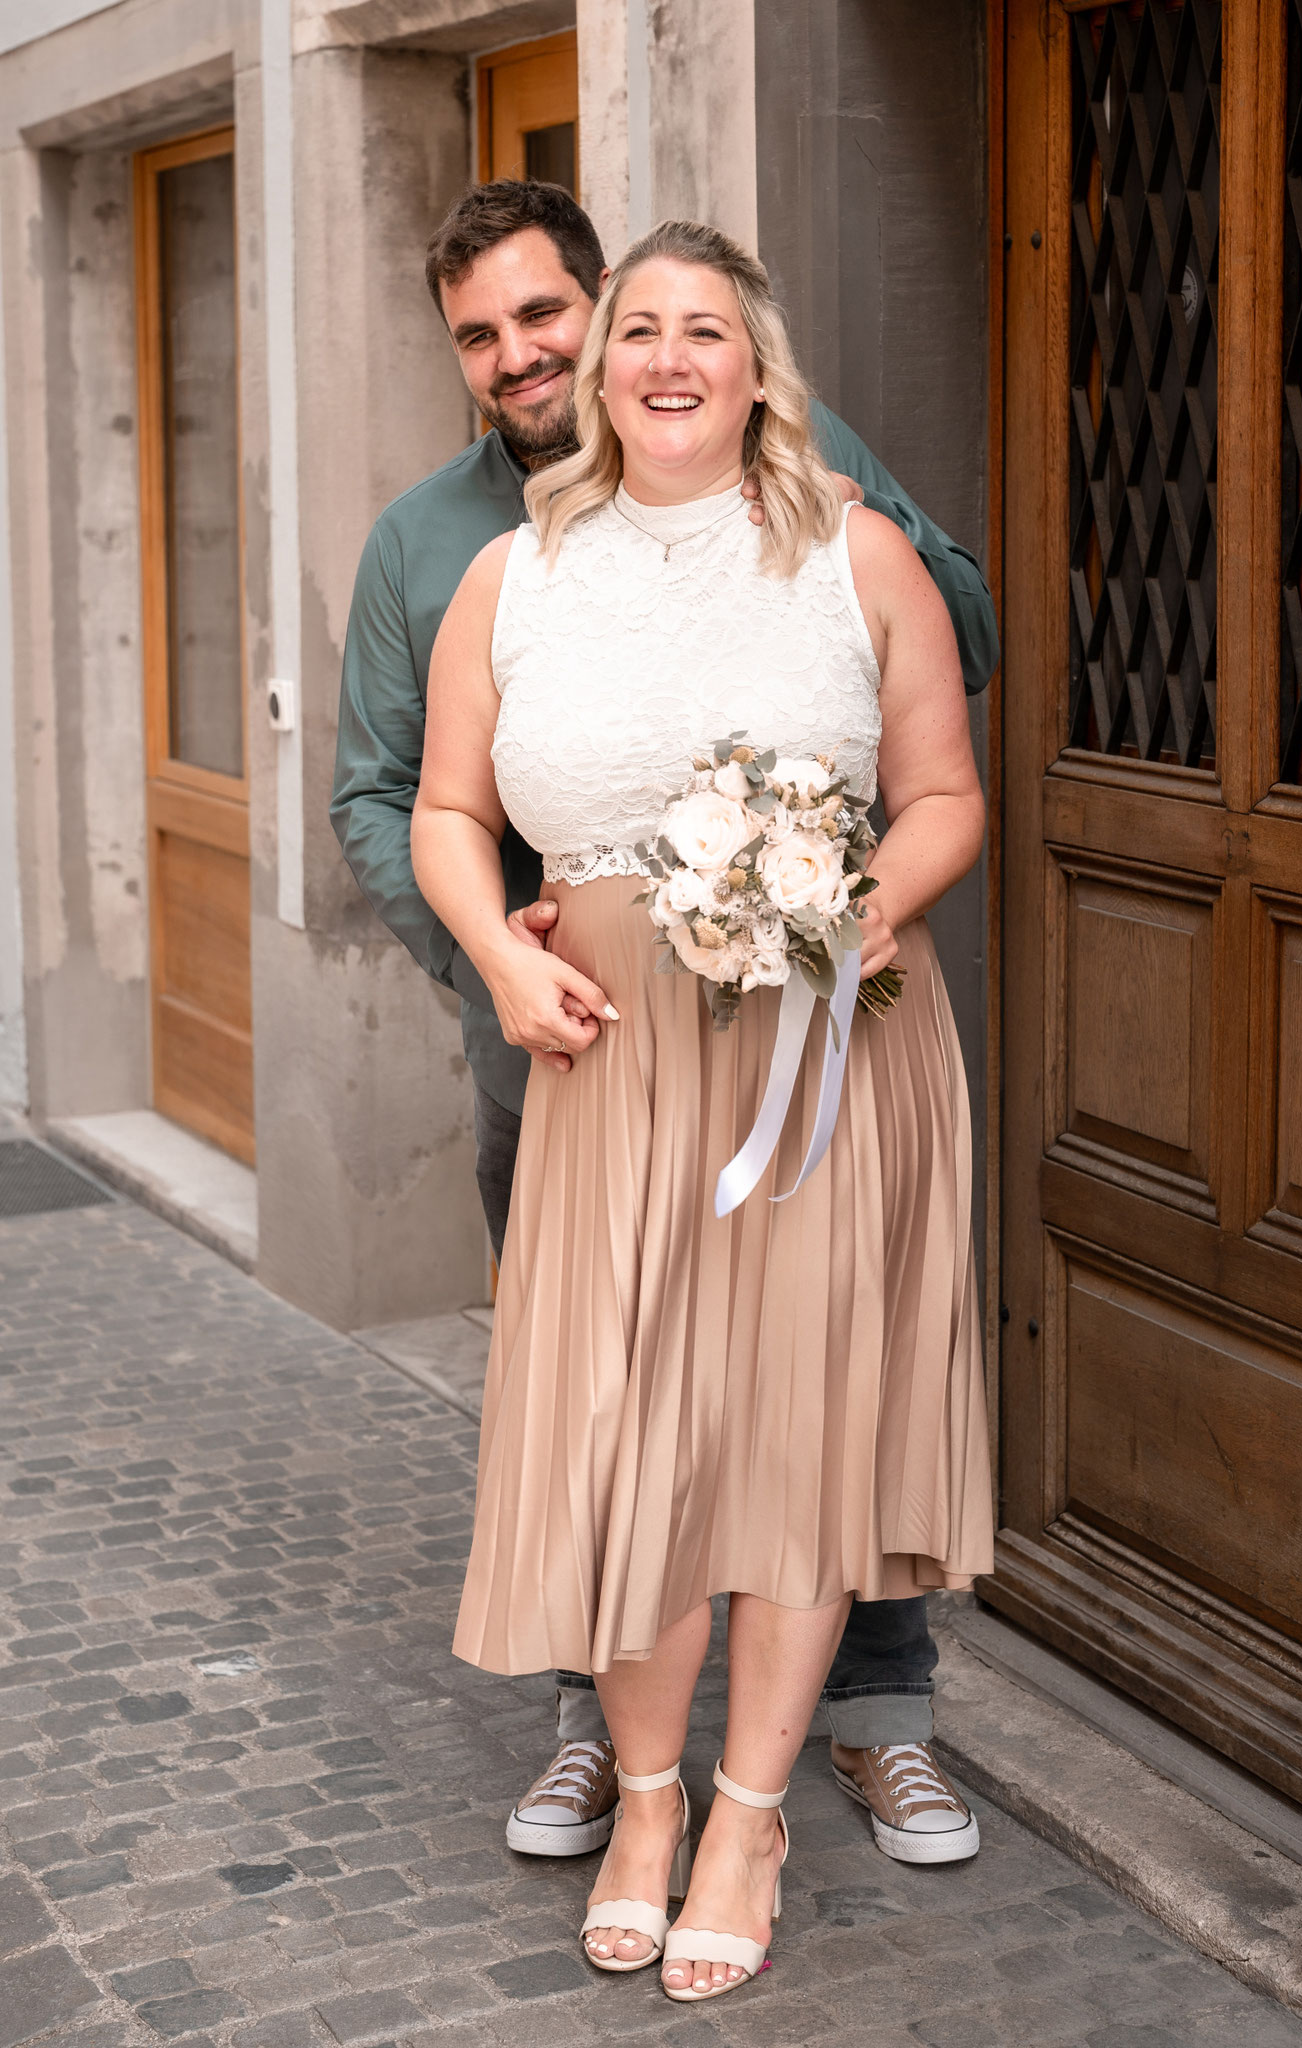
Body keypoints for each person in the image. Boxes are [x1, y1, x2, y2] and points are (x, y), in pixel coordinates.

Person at [331, 179, 997, 1879]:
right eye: (639, 331)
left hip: (819, 1043)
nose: (643, 356)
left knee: (795, 1420)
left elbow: (939, 786)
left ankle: (765, 1807)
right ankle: (633, 1788)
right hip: (601, 1048)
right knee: (622, 1429)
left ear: (763, 369)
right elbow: (421, 803)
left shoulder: (851, 542)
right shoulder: (479, 559)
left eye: (694, 329)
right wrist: (492, 953)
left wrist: (848, 918)